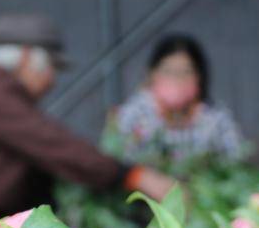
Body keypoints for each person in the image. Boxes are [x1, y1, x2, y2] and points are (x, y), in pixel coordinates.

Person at [0, 13, 174, 216]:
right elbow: (56, 146)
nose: (52, 81)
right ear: (25, 58)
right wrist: (132, 175)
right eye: (52, 68)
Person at [102, 34, 247, 175]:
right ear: (152, 74)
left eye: (185, 72)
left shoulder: (215, 118)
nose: (177, 79)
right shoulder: (134, 114)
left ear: (199, 77)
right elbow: (114, 166)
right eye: (169, 71)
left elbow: (237, 163)